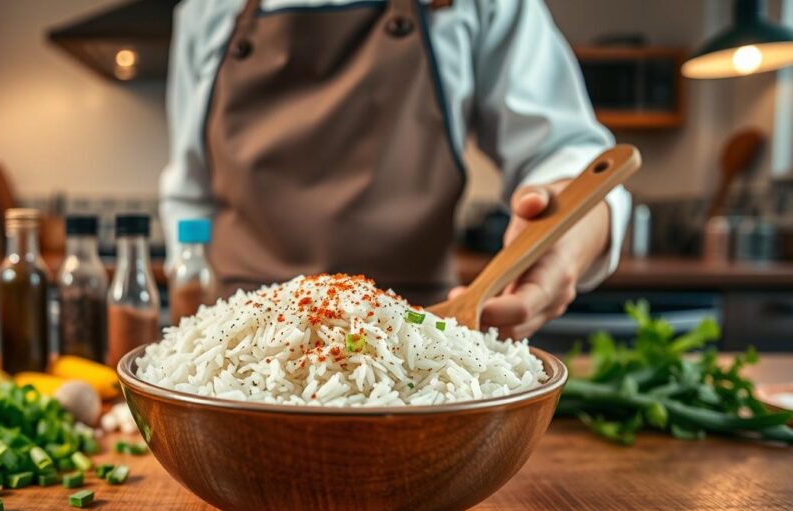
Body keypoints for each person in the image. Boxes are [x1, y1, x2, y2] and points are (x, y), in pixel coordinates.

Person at [160, 0, 632, 339]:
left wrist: (563, 240)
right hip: (244, 344)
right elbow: (191, 194)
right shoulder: (206, 12)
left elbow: (567, 153)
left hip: (419, 335)